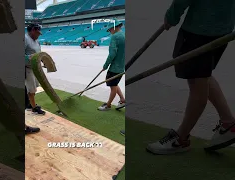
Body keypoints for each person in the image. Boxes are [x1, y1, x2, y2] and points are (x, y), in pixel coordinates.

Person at [147, 0, 235, 155]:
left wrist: (172, 16)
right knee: (203, 75)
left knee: (197, 82)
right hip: (223, 29)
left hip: (200, 31)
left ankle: (181, 139)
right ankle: (229, 124)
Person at [98, 19, 126, 111]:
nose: (110, 32)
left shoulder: (115, 37)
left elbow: (112, 54)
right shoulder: (125, 35)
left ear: (114, 28)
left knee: (112, 86)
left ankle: (108, 105)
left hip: (115, 67)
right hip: (122, 66)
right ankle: (122, 100)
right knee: (114, 83)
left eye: (110, 30)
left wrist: (105, 66)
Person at [25, 23, 45, 115]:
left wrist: (44, 61)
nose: (38, 35)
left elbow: (39, 53)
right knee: (31, 89)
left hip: (35, 68)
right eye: (37, 33)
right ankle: (34, 108)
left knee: (33, 87)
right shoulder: (25, 39)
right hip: (27, 68)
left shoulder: (36, 41)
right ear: (33, 30)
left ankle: (29, 103)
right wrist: (29, 57)